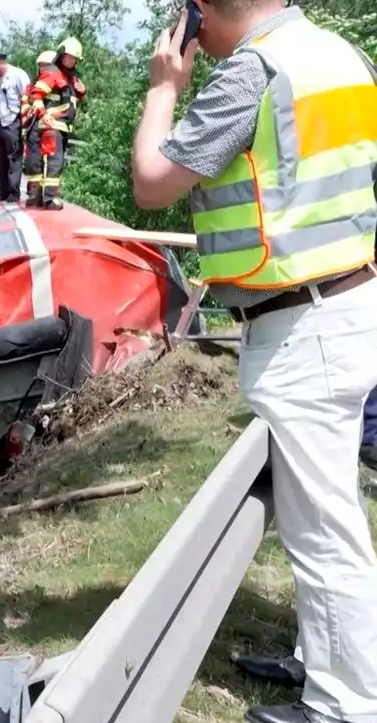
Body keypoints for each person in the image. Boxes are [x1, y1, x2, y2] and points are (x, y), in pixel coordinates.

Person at [130, 1, 377, 722]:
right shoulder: (340, 56)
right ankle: (321, 654)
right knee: (328, 506)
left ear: (201, 14)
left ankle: (345, 705)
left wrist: (162, 87)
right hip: (350, 299)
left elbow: (152, 181)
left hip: (303, 324)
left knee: (324, 527)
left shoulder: (253, 75)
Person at [22, 38, 86, 209]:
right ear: (61, 54)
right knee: (54, 161)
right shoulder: (53, 72)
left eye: (75, 59)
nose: (72, 61)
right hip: (53, 125)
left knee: (51, 161)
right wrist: (43, 114)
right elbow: (37, 95)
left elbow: (69, 96)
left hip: (62, 126)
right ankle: (49, 198)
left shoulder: (70, 76)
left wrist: (81, 91)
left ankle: (38, 196)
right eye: (70, 57)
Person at [0, 50, 30, 203]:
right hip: (0, 122)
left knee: (13, 158)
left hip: (13, 122)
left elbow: (27, 97)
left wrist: (24, 121)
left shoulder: (18, 75)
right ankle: (3, 192)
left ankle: (13, 194)